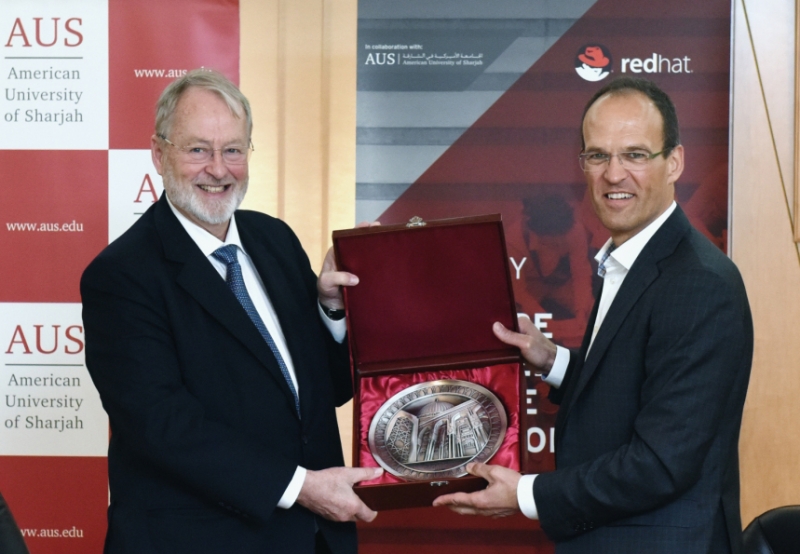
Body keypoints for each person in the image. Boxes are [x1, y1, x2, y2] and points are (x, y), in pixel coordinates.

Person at [434, 77, 753, 554]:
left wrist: (526, 493)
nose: (613, 174)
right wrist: (554, 361)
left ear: (675, 163)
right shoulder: (626, 261)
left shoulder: (698, 282)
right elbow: (631, 387)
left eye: (635, 155)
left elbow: (661, 463)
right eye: (598, 155)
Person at [81, 69, 381, 554]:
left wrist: (330, 308)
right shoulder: (121, 276)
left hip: (313, 541)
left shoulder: (274, 240)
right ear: (159, 155)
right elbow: (164, 426)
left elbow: (324, 393)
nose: (218, 169)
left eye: (233, 150)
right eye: (198, 149)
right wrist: (300, 487)